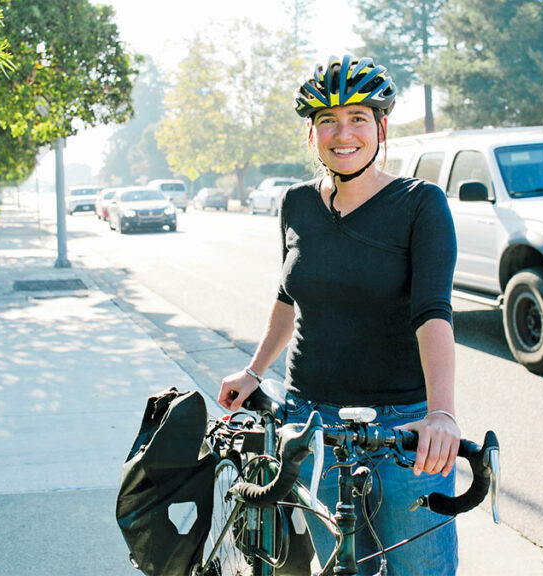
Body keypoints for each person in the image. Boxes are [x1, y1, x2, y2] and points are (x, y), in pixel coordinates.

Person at [218, 54, 461, 575]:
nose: (342, 132)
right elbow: (288, 297)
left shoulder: (420, 204)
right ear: (312, 134)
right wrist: (255, 369)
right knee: (339, 566)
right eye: (327, 120)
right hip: (314, 424)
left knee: (421, 569)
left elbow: (433, 312)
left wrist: (441, 413)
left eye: (357, 118)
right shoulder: (296, 203)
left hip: (403, 430)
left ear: (381, 128)